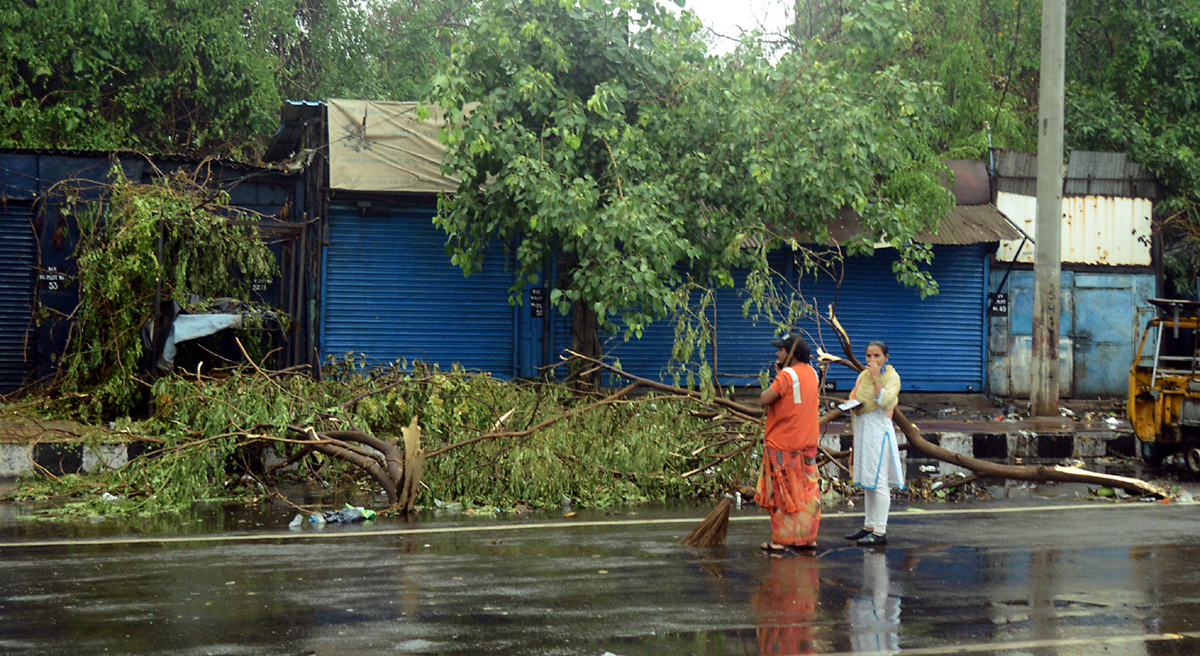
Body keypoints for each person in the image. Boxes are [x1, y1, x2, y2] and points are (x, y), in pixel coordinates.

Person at [757, 332, 822, 552]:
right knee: (807, 493)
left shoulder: (786, 376)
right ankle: (808, 538)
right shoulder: (813, 373)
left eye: (781, 350)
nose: (777, 353)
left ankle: (779, 541)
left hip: (783, 445)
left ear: (791, 353)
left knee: (782, 495)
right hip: (807, 444)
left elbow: (765, 399)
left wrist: (778, 374)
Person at [844, 340, 903, 547]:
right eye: (869, 356)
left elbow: (885, 401)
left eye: (877, 356)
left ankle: (880, 531)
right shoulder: (863, 376)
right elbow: (855, 395)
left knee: (879, 481)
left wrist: (877, 378)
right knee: (868, 481)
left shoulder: (892, 377)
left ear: (886, 357)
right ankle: (868, 526)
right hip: (863, 429)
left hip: (879, 431)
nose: (872, 360)